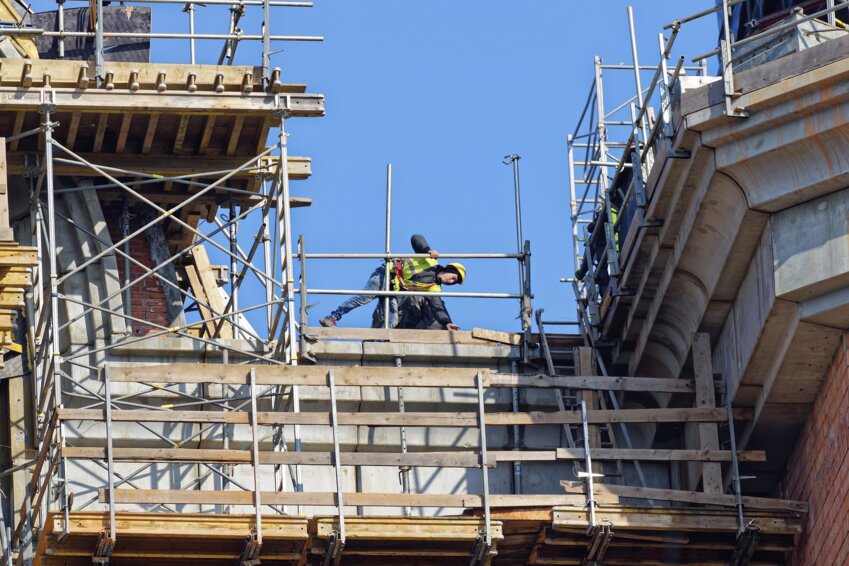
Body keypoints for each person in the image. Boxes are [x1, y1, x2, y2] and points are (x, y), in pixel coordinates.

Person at [319, 234, 465, 330]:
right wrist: (428, 249)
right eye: (452, 277)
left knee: (391, 320)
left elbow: (438, 307)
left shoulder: (434, 288)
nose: (450, 281)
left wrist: (446, 323)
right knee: (363, 298)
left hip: (394, 289)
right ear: (449, 268)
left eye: (453, 282)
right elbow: (416, 238)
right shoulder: (429, 259)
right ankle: (332, 317)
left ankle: (378, 344)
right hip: (386, 275)